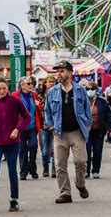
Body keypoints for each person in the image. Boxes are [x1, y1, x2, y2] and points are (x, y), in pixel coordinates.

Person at [0, 77, 31, 214]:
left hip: (13, 143)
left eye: (4, 88)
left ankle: (14, 199)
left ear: (7, 88)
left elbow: (27, 117)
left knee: (12, 171)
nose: (2, 91)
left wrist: (17, 129)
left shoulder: (15, 101)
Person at [45, 60, 92, 204]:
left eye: (62, 71)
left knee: (80, 162)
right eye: (57, 71)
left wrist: (88, 125)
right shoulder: (52, 92)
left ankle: (80, 184)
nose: (59, 73)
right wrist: (51, 126)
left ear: (70, 73)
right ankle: (65, 193)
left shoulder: (80, 90)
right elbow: (47, 111)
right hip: (59, 133)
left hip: (77, 132)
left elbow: (87, 108)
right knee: (60, 165)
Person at [13, 76, 42, 180]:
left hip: (32, 126)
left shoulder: (34, 95)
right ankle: (23, 172)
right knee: (22, 149)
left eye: (32, 83)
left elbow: (39, 109)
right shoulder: (15, 96)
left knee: (33, 146)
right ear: (22, 85)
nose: (31, 85)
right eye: (28, 84)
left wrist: (39, 106)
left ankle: (32, 168)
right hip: (20, 127)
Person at [84, 81, 111, 178]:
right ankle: (86, 171)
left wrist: (110, 128)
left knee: (97, 151)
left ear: (96, 90)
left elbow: (109, 115)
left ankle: (95, 170)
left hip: (99, 130)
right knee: (86, 151)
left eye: (92, 89)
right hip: (86, 131)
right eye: (87, 89)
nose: (90, 91)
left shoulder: (102, 101)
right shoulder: (82, 100)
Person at [40, 75, 57, 178]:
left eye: (53, 82)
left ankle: (54, 169)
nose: (51, 83)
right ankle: (45, 168)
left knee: (56, 149)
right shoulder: (41, 95)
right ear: (45, 83)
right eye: (49, 81)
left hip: (56, 124)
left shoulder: (57, 93)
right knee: (45, 149)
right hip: (44, 125)